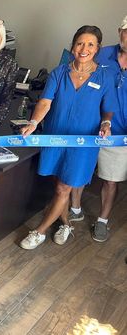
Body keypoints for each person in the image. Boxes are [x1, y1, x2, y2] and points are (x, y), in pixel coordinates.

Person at [19, 25, 117, 250]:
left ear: (98, 48)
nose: (84, 48)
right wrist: (33, 123)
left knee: (65, 187)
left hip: (82, 144)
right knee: (58, 185)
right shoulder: (59, 72)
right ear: (73, 46)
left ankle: (39, 231)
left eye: (90, 44)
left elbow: (108, 109)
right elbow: (45, 102)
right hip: (55, 137)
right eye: (80, 43)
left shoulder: (104, 76)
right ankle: (65, 223)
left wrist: (106, 123)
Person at [68, 15, 127, 242]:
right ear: (119, 32)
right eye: (126, 31)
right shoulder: (102, 53)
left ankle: (102, 220)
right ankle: (75, 209)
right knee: (80, 171)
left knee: (111, 180)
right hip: (90, 127)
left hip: (120, 136)